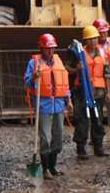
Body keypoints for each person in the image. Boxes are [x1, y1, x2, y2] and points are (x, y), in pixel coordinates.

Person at [24, 33, 73, 179]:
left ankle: (53, 166)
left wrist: (68, 101)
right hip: (43, 105)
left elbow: (64, 83)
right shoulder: (34, 63)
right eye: (47, 48)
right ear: (41, 48)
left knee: (57, 137)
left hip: (58, 105)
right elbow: (27, 82)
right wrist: (35, 76)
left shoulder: (58, 61)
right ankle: (45, 168)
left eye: (52, 48)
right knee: (45, 137)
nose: (50, 51)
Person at [66, 26, 110, 158]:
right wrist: (77, 69)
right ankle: (81, 148)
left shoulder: (102, 52)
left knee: (98, 119)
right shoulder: (78, 53)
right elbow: (67, 68)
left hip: (99, 93)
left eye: (95, 38)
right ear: (85, 40)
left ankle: (98, 146)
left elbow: (106, 73)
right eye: (90, 39)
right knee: (81, 120)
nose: (93, 41)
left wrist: (108, 91)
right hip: (81, 92)